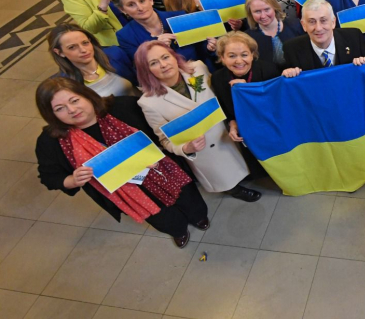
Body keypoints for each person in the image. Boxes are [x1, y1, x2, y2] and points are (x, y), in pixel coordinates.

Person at [35, 78, 209, 248]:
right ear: (51, 115)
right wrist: (72, 180)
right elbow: (49, 177)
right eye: (60, 109)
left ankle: (198, 217)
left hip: (163, 172)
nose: (72, 110)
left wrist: (155, 151)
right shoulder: (52, 141)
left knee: (189, 199)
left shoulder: (123, 107)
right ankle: (178, 230)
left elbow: (161, 133)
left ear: (86, 95)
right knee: (162, 218)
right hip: (130, 194)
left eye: (75, 100)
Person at [135, 41, 260, 201]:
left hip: (226, 134)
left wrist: (231, 120)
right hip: (205, 150)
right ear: (146, 71)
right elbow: (165, 139)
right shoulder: (148, 102)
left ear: (173, 56)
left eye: (165, 57)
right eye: (154, 63)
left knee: (243, 164)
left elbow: (220, 94)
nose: (163, 65)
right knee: (226, 179)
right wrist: (186, 148)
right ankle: (234, 190)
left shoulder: (198, 68)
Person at [112, 0, 211, 65]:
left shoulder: (179, 16)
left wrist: (210, 48)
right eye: (131, 5)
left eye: (142, 1)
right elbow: (141, 68)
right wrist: (155, 46)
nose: (140, 8)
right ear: (122, 10)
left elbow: (202, 50)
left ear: (150, 0)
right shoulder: (125, 36)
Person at [211, 32, 280, 148]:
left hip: (273, 129)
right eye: (232, 56)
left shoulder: (269, 70)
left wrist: (247, 89)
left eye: (244, 55)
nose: (239, 61)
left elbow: (277, 105)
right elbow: (226, 110)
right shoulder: (218, 78)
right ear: (222, 58)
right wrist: (233, 124)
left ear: (252, 55)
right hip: (246, 138)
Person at [281, 0, 365, 75]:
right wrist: (288, 75)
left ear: (333, 22)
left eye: (323, 20)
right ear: (303, 25)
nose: (318, 28)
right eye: (312, 22)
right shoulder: (291, 49)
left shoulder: (354, 38)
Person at [48, 24, 137, 96]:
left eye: (85, 43)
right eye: (72, 47)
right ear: (59, 52)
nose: (83, 50)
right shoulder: (62, 83)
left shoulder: (115, 54)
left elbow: (138, 80)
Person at [244, 0, 304, 67]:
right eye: (257, 11)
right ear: (250, 13)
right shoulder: (247, 38)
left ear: (274, 7)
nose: (263, 16)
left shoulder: (296, 25)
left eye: (267, 9)